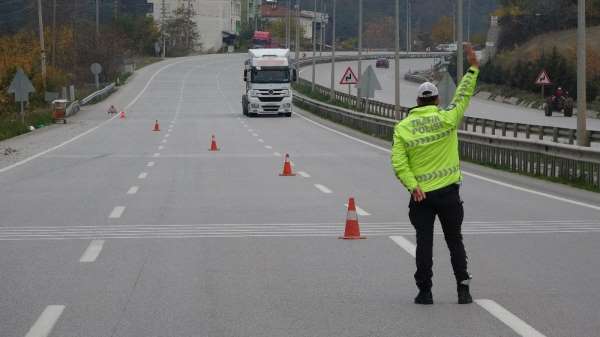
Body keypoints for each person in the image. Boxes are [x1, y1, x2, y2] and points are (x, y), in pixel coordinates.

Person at [391, 43, 480, 305]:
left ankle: (425, 292)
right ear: (437, 100)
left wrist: (412, 185)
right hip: (450, 194)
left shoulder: (403, 127)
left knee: (424, 244)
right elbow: (463, 95)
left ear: (418, 101)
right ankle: (463, 291)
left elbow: (398, 162)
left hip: (421, 197)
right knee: (455, 241)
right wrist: (473, 68)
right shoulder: (448, 118)